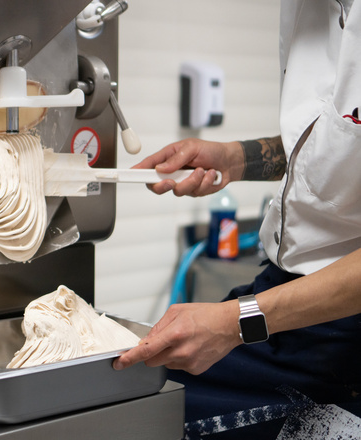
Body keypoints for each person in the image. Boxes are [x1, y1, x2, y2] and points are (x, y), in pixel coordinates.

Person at [113, 1, 361, 438]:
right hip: (283, 303)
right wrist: (235, 158)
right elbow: (339, 145)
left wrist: (234, 322)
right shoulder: (307, 11)